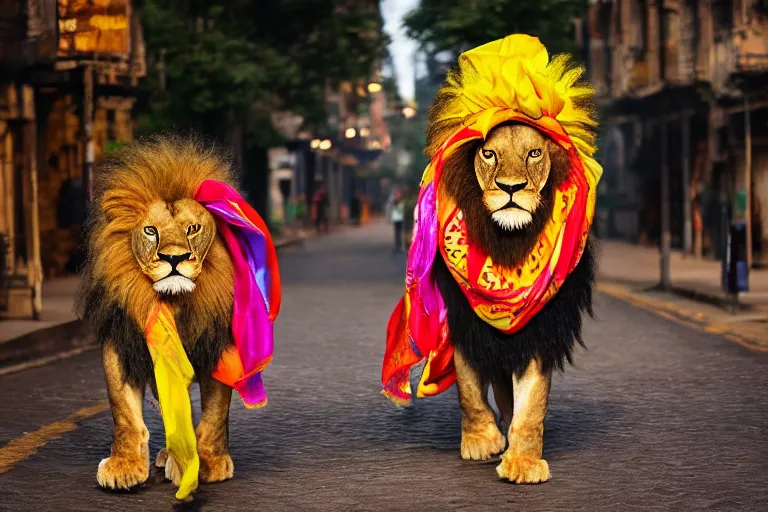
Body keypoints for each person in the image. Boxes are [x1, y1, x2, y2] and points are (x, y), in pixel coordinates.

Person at [389, 188, 405, 252]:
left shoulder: (402, 201)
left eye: (399, 194)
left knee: (401, 233)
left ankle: (401, 246)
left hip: (401, 219)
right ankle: (397, 246)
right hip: (396, 219)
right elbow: (391, 208)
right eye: (397, 194)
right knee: (397, 233)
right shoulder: (394, 201)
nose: (398, 195)